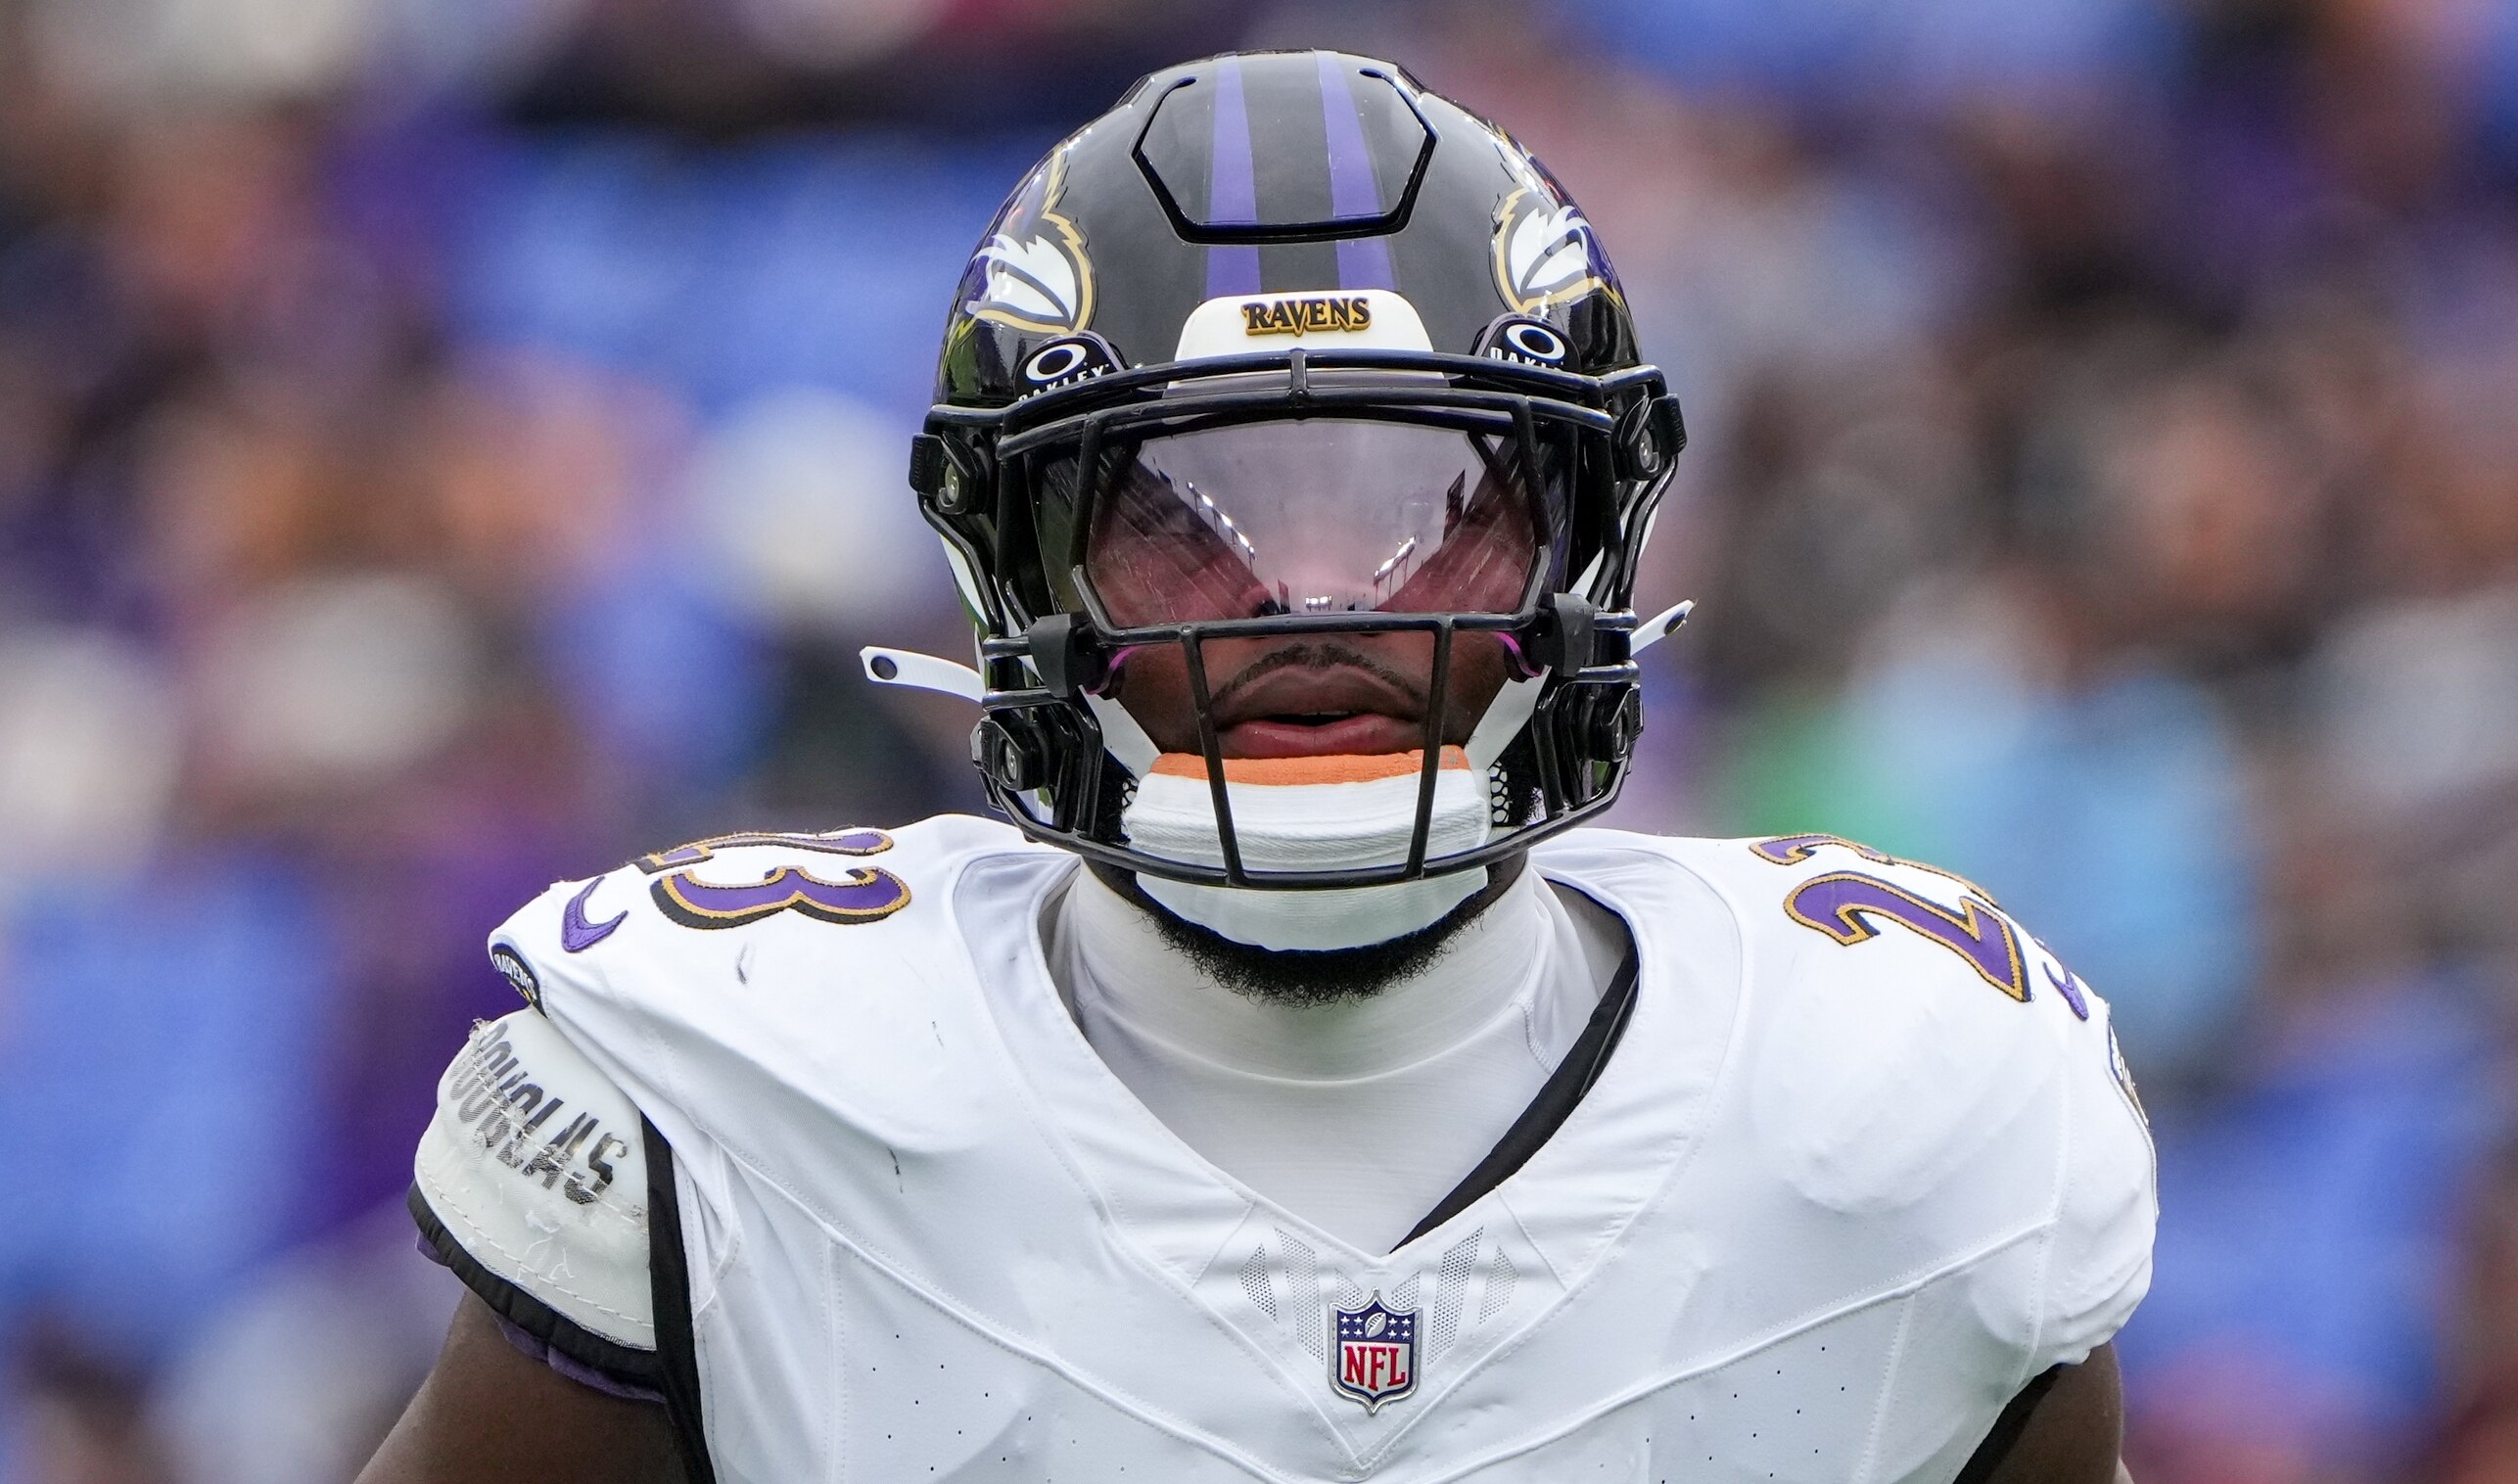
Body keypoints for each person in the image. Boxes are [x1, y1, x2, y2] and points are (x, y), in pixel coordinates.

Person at [358, 51, 2154, 1484]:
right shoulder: (734, 1089)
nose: (1310, 609)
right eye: (1183, 519)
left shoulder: (1909, 1107)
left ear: (1585, 542)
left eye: (1424, 506)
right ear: (1015, 568)